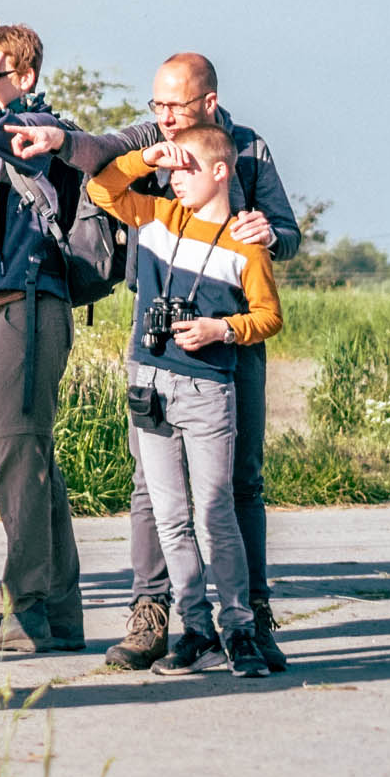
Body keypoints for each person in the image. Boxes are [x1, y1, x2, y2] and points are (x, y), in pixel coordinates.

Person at [11, 52, 302, 673]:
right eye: (158, 105)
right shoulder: (150, 143)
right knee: (152, 488)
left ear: (210, 104)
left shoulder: (247, 150)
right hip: (156, 340)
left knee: (237, 484)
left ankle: (249, 615)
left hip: (232, 340)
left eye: (177, 106)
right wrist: (62, 139)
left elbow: (289, 233)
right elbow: (98, 159)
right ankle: (151, 613)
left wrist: (268, 235)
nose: (165, 118)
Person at [84, 124, 283, 679]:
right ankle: (197, 629)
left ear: (221, 171)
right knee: (170, 516)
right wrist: (144, 157)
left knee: (215, 512)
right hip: (151, 384)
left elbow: (269, 315)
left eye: (185, 167)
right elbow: (102, 189)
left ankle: (239, 627)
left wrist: (222, 329)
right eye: (169, 169)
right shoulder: (155, 216)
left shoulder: (247, 242)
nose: (174, 178)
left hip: (208, 390)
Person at [0, 25, 87, 653]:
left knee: (19, 461)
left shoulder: (36, 126)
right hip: (9, 309)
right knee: (34, 461)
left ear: (22, 76)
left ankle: (24, 611)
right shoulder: (15, 144)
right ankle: (57, 613)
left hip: (24, 309)